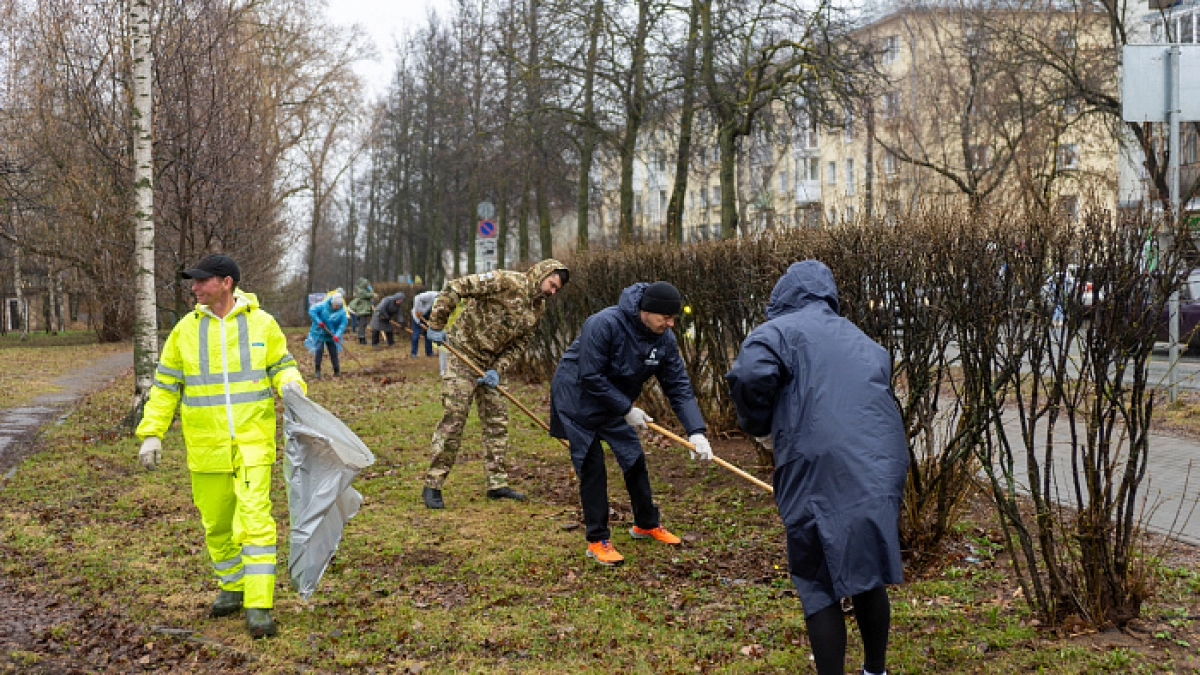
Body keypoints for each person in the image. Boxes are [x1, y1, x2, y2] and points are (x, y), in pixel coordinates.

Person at [725, 260, 908, 675]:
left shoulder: (776, 332)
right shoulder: (861, 339)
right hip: (881, 463)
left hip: (820, 466)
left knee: (817, 580)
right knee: (865, 570)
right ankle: (875, 670)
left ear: (783, 295)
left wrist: (761, 427)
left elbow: (749, 375)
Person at [135, 254, 306, 639]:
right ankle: (232, 586)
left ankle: (259, 604)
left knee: (255, 520)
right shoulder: (185, 331)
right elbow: (165, 387)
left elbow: (282, 365)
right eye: (193, 281)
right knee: (216, 523)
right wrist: (152, 432)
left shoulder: (262, 324)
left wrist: (292, 385)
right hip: (205, 445)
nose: (195, 287)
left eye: (202, 281)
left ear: (226, 282)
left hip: (252, 442)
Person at [549, 281, 713, 567]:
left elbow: (678, 386)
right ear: (646, 311)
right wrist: (626, 408)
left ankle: (646, 524)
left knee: (633, 457)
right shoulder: (603, 324)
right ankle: (597, 540)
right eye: (666, 317)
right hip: (577, 398)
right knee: (592, 465)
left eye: (674, 318)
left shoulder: (664, 339)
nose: (671, 324)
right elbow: (590, 375)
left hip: (614, 402)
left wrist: (696, 431)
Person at [421, 259, 569, 509]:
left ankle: (497, 483)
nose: (552, 292)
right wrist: (437, 323)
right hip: (463, 354)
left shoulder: (537, 308)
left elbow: (520, 344)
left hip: (489, 366)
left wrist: (497, 370)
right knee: (454, 418)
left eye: (557, 289)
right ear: (543, 274)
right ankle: (433, 484)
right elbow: (457, 286)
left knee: (497, 422)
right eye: (552, 284)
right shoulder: (506, 281)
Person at [307, 292, 347, 378]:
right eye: (335, 305)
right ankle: (317, 370)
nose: (337, 307)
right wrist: (318, 321)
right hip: (319, 332)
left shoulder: (342, 312)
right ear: (332, 303)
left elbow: (342, 325)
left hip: (332, 334)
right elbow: (312, 311)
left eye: (338, 306)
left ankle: (337, 370)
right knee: (319, 350)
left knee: (333, 352)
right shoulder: (323, 305)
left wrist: (337, 335)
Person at [410, 289, 439, 358]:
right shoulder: (431, 295)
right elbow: (417, 298)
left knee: (429, 334)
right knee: (416, 334)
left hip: (426, 315)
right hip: (417, 316)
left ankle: (429, 352)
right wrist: (417, 312)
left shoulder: (441, 300)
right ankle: (413, 353)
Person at [347, 278, 374, 344]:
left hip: (363, 310)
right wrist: (371, 289)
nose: (368, 284)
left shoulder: (362, 290)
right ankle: (362, 339)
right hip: (362, 310)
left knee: (363, 324)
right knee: (362, 324)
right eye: (367, 283)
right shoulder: (362, 291)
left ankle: (362, 338)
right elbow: (370, 295)